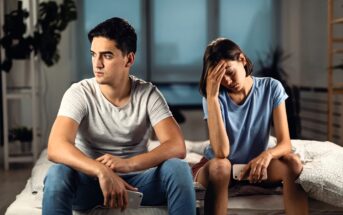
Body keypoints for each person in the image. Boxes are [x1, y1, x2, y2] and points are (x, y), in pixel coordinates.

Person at [42, 17, 196, 215]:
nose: (97, 64)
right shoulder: (79, 93)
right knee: (57, 173)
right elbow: (56, 146)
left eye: (106, 56)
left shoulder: (148, 93)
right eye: (93, 54)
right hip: (89, 183)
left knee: (179, 169)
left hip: (137, 185)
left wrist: (127, 164)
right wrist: (102, 171)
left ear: (129, 59)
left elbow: (176, 146)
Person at [193, 38, 308, 215]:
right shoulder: (213, 97)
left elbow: (285, 143)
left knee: (293, 163)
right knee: (220, 166)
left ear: (242, 59)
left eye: (229, 72)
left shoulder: (271, 87)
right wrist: (212, 97)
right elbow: (222, 152)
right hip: (222, 170)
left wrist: (267, 154)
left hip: (255, 168)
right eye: (220, 78)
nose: (227, 81)